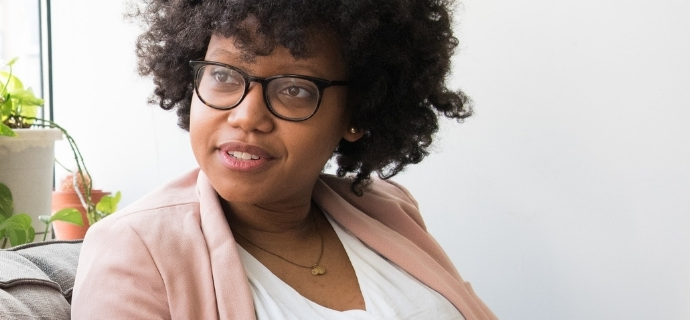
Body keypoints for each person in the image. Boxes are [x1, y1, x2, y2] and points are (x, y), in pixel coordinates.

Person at [71, 0, 496, 319]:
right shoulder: (134, 251)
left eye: (294, 88)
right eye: (222, 75)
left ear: (357, 112)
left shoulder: (387, 208)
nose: (247, 116)